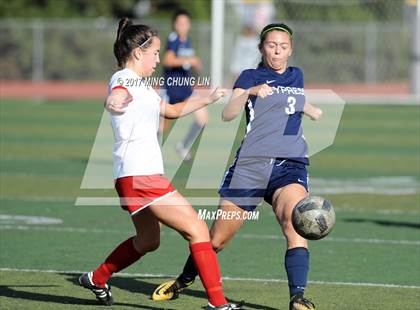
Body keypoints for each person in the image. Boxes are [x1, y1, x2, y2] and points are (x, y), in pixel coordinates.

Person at [152, 23, 322, 310]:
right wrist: (251, 91)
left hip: (288, 165)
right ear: (261, 48)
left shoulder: (297, 75)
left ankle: (298, 298)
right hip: (251, 166)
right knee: (216, 240)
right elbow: (229, 114)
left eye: (283, 46)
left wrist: (309, 108)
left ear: (291, 49)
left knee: (295, 224)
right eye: (271, 45)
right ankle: (184, 279)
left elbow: (290, 101)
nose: (277, 51)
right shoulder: (250, 76)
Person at [78, 17, 242, 310]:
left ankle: (98, 278)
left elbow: (172, 110)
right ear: (138, 52)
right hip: (141, 176)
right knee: (197, 229)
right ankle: (218, 304)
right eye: (154, 52)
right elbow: (117, 94)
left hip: (131, 176)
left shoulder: (143, 86)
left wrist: (207, 99)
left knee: (148, 240)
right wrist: (113, 102)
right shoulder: (125, 79)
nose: (158, 59)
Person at [162, 9, 207, 161]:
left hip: (185, 87)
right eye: (179, 23)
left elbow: (184, 62)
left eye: (185, 23)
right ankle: (143, 154)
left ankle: (183, 146)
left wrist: (194, 62)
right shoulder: (173, 39)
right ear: (174, 24)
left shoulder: (186, 40)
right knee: (161, 126)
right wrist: (190, 60)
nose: (183, 26)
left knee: (202, 118)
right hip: (174, 88)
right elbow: (167, 61)